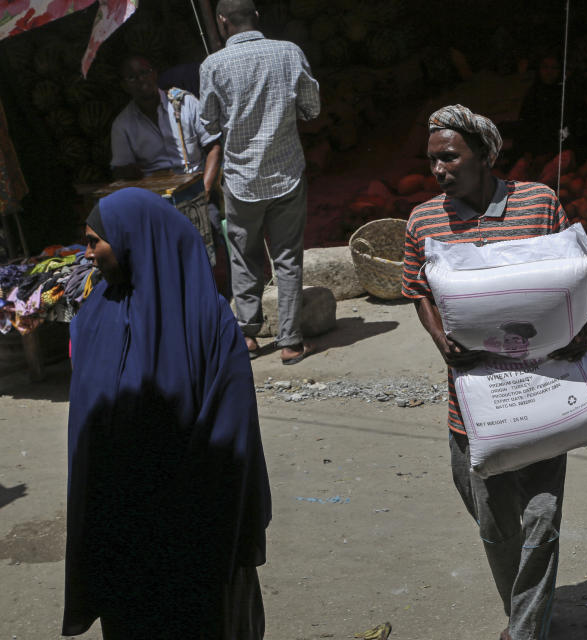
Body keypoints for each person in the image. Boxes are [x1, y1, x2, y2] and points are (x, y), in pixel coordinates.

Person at [402, 104, 587, 640]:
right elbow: (418, 292)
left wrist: (577, 333)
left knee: (541, 517)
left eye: (450, 158)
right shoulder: (424, 221)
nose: (439, 170)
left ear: (485, 155)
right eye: (432, 160)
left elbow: (572, 274)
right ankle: (524, 615)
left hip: (541, 390)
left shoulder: (537, 203)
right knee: (494, 521)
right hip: (472, 402)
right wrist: (444, 342)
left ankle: (525, 631)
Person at [63, 188, 271, 639]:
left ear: (134, 240)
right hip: (122, 527)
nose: (88, 254)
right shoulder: (94, 317)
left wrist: (179, 518)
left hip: (194, 532)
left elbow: (231, 438)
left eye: (96, 241)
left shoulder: (208, 323)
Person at [199, 0, 322, 365]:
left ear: (222, 22)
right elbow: (312, 109)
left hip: (241, 179)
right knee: (286, 257)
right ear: (257, 17)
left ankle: (248, 335)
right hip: (286, 173)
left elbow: (207, 127)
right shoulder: (289, 52)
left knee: (243, 254)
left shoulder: (212, 65)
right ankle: (291, 342)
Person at [110, 55, 227, 274]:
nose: (141, 80)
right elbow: (120, 170)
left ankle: (217, 293)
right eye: (132, 77)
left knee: (208, 240)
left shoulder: (185, 104)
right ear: (124, 85)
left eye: (145, 72)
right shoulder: (123, 125)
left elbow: (214, 147)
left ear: (155, 74)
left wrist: (206, 190)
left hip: (197, 194)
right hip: (157, 202)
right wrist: (128, 171)